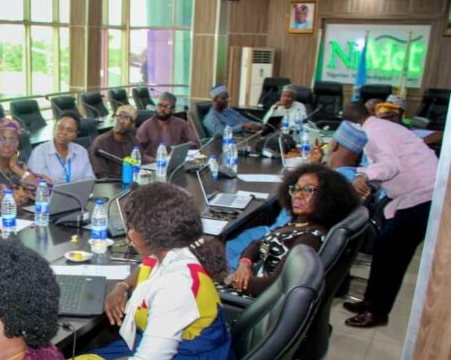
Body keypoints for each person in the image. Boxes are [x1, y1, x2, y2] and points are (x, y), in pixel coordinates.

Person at [68, 183, 234, 360]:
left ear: (146, 233)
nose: (128, 232)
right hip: (175, 357)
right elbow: (144, 266)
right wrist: (121, 287)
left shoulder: (176, 286)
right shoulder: (174, 253)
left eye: (130, 226)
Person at [341, 102, 438, 327]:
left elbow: (390, 165)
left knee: (391, 258)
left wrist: (363, 176)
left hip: (422, 198)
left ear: (352, 124)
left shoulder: (375, 132)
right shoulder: (380, 127)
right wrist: (370, 182)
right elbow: (386, 166)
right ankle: (369, 303)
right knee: (385, 252)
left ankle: (377, 312)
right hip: (415, 197)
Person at [230, 164, 360, 297]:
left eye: (308, 190)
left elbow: (273, 286)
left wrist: (229, 279)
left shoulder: (309, 239)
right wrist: (244, 265)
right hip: (248, 279)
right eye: (296, 189)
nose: (298, 195)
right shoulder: (301, 223)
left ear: (328, 197)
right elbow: (258, 243)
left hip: (251, 298)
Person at [0, 117, 49, 216]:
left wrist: (16, 169)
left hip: (24, 223)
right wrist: (16, 211)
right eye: (1, 139)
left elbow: (45, 192)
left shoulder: (20, 166)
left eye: (13, 140)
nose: (7, 144)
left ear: (17, 145)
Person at [27, 111, 95, 184]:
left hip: (80, 194)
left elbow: (90, 178)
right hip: (51, 194)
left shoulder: (81, 151)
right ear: (54, 128)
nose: (64, 132)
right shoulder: (40, 152)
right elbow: (38, 183)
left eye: (69, 130)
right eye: (60, 128)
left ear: (75, 134)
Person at [90, 105, 150, 178]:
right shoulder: (101, 143)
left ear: (133, 125)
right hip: (111, 186)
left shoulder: (134, 141)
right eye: (119, 116)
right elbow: (101, 176)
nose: (121, 121)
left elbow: (141, 163)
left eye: (126, 118)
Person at [135, 91, 199, 156]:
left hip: (176, 160)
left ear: (173, 110)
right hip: (153, 162)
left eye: (166, 106)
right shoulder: (146, 126)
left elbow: (194, 143)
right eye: (160, 105)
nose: (162, 109)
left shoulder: (181, 124)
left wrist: (180, 150)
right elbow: (137, 150)